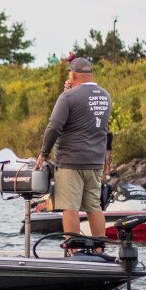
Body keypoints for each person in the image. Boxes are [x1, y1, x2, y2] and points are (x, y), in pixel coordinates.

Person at [34, 57, 112, 241]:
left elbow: (54, 127)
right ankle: (100, 248)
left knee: (70, 207)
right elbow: (86, 113)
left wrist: (43, 153)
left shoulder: (67, 97)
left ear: (74, 74)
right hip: (95, 161)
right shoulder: (105, 96)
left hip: (71, 161)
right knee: (94, 206)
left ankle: (73, 249)